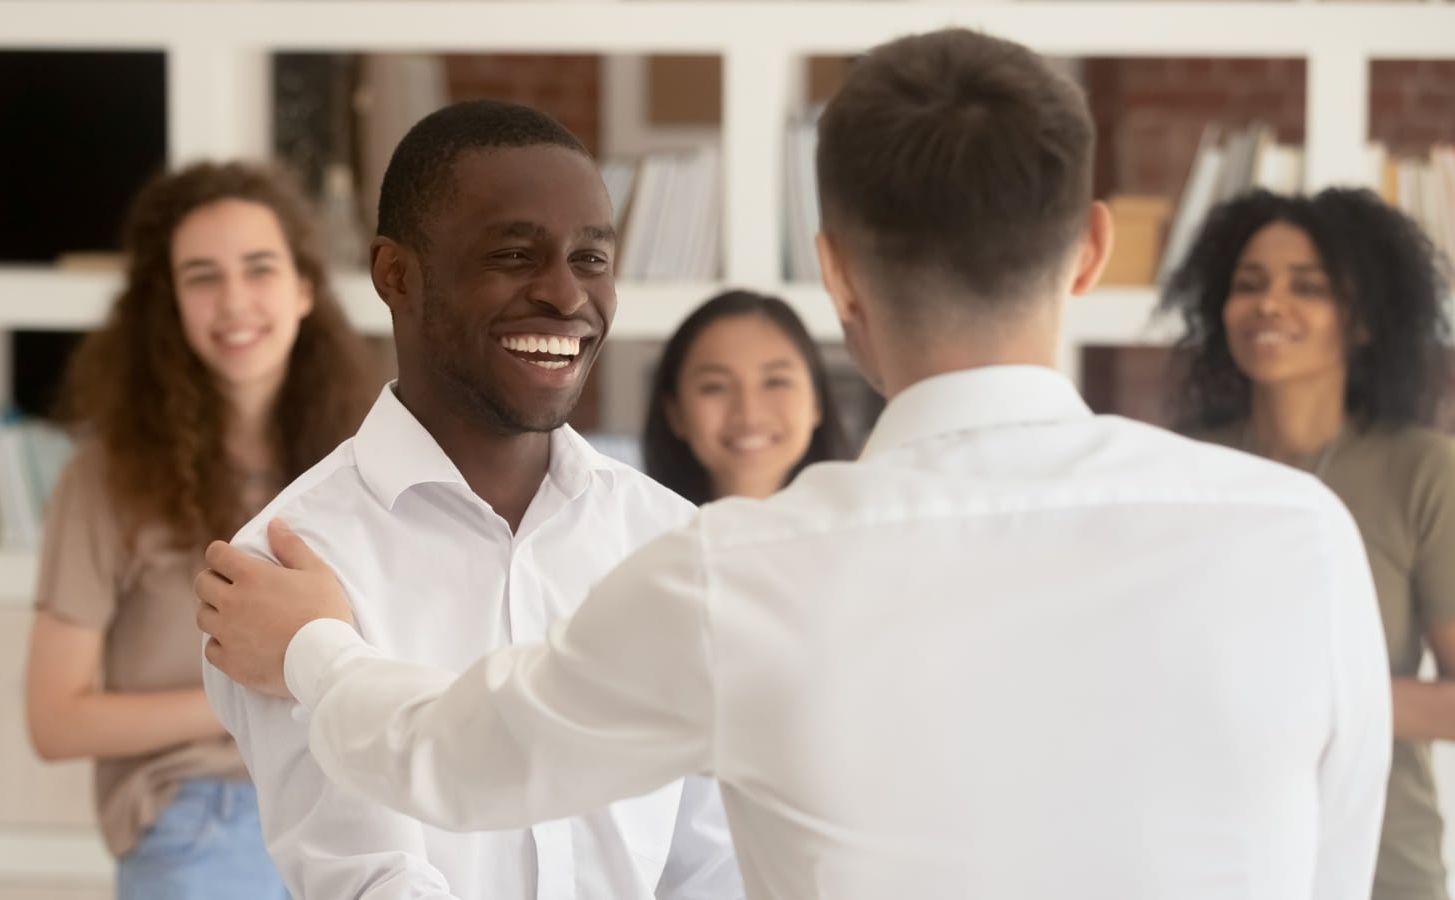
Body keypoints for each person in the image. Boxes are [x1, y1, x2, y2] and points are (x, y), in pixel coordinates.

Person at [198, 30, 1392, 900]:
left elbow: (453, 760)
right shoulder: (1298, 537)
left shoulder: (730, 567)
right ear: (1087, 252)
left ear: (834, 275)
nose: (563, 291)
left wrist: (311, 648)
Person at [198, 99, 742, 899]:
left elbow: (713, 864)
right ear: (397, 275)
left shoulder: (672, 541)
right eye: (515, 255)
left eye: (591, 259)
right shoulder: (281, 575)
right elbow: (371, 881)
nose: (565, 296)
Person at [23, 160, 380, 900]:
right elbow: (53, 719)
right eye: (201, 277)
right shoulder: (103, 479)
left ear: (305, 288)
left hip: (355, 806)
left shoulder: (367, 465)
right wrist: (256, 691)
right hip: (204, 815)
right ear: (169, 304)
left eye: (259, 269)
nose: (235, 302)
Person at [1161, 187, 1455, 900]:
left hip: (1382, 865)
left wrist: (1295, 696)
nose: (1269, 305)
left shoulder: (1422, 470)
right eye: (1248, 285)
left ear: (1362, 321)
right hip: (1204, 857)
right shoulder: (1178, 468)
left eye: (1309, 287)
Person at [642, 290, 851, 504]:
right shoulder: (634, 532)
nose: (748, 412)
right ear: (675, 414)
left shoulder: (868, 532)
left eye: (775, 382)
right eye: (715, 387)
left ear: (816, 402)